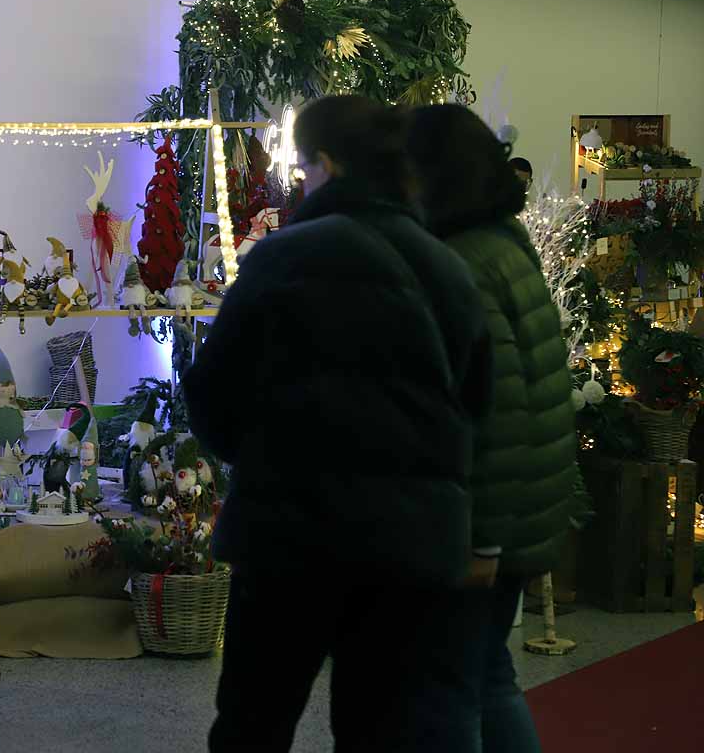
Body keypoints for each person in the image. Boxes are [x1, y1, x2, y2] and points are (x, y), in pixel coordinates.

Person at [184, 95, 496, 752]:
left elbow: (212, 391)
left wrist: (265, 457)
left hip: (287, 538)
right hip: (408, 548)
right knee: (379, 728)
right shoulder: (448, 270)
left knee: (253, 722)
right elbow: (475, 408)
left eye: (301, 167)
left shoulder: (281, 259)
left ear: (326, 165)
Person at [407, 105, 577, 753]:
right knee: (487, 676)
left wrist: (477, 543)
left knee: (454, 691)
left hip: (481, 523)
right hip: (514, 510)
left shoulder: (463, 262)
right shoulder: (502, 241)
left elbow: (489, 405)